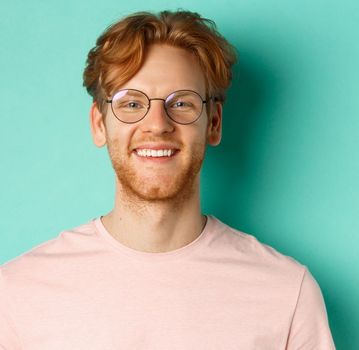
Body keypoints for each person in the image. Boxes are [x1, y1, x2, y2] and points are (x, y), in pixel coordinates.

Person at [0, 10, 335, 349]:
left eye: (181, 103)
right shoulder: (17, 293)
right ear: (99, 124)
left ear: (214, 123)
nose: (157, 124)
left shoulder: (286, 292)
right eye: (131, 103)